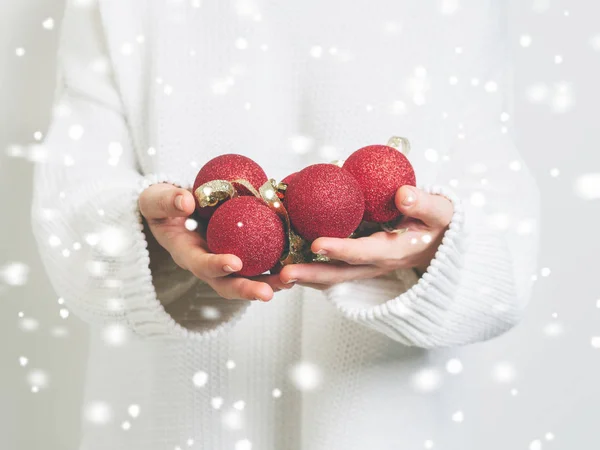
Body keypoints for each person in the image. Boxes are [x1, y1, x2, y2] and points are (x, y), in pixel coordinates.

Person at [32, 1, 539, 449]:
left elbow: (508, 262)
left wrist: (432, 250)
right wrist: (155, 238)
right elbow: (66, 205)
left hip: (380, 418)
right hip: (173, 418)